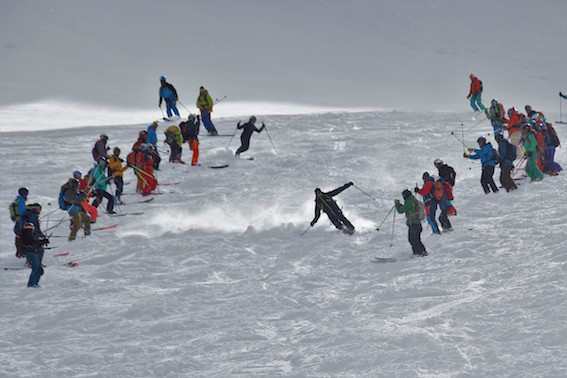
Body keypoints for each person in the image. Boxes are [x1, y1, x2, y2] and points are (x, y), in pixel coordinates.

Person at [395, 189, 428, 257]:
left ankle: (420, 252)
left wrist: (397, 205)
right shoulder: (413, 200)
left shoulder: (409, 202)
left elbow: (401, 210)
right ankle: (420, 252)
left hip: (413, 224)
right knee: (416, 239)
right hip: (417, 224)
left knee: (413, 240)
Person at [19, 222, 48, 288]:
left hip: (33, 252)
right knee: (36, 268)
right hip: (30, 253)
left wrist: (42, 242)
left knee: (40, 270)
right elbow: (33, 243)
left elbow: (34, 243)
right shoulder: (26, 235)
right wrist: (43, 241)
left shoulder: (27, 234)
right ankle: (31, 284)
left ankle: (35, 283)